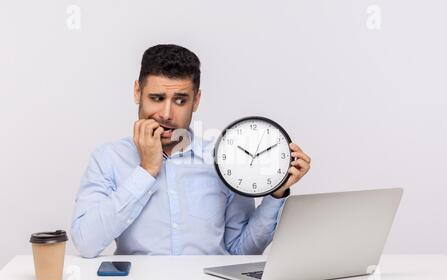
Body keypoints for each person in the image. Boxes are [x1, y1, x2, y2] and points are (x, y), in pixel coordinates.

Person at [71, 44, 311, 258]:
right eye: (156, 98)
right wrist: (146, 170)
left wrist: (276, 194)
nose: (165, 113)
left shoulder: (223, 160)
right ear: (137, 93)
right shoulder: (108, 159)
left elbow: (240, 251)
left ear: (196, 100)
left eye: (180, 101)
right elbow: (86, 244)